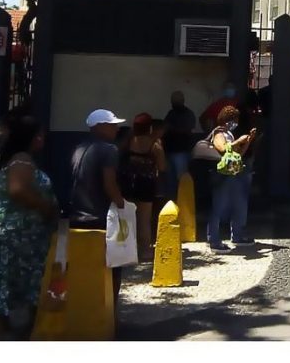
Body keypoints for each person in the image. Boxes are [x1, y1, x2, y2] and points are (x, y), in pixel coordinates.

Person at [0, 114, 56, 338]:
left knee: (8, 275)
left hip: (14, 227)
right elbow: (18, 190)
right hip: (16, 230)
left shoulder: (12, 158)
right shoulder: (22, 159)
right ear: (31, 137)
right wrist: (45, 207)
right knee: (17, 275)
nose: (42, 139)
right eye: (40, 135)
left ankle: (9, 327)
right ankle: (9, 329)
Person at [68, 109, 127, 310]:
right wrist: (122, 205)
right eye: (112, 125)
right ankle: (109, 310)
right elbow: (109, 183)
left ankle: (85, 308)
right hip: (102, 215)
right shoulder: (109, 149)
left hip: (78, 215)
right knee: (113, 267)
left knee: (83, 268)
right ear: (100, 127)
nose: (116, 128)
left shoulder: (79, 148)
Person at [207, 106, 258, 253]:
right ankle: (214, 241)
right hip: (221, 174)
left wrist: (248, 141)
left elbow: (238, 154)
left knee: (236, 204)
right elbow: (223, 149)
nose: (235, 123)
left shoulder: (229, 134)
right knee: (219, 206)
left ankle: (237, 236)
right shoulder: (219, 133)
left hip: (231, 173)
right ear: (226, 120)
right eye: (233, 120)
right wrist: (238, 141)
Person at [123, 114, 163, 261]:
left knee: (128, 217)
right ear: (149, 128)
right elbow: (162, 166)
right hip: (146, 182)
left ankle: (127, 250)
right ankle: (145, 251)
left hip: (128, 181)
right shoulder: (155, 145)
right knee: (144, 219)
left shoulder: (128, 141)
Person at [162, 91, 196, 198]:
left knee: (182, 180)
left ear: (182, 101)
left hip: (182, 151)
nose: (174, 103)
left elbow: (188, 130)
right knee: (170, 181)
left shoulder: (188, 114)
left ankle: (183, 202)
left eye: (176, 101)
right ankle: (172, 201)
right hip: (170, 151)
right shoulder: (171, 113)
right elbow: (164, 128)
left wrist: (172, 129)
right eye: (173, 101)